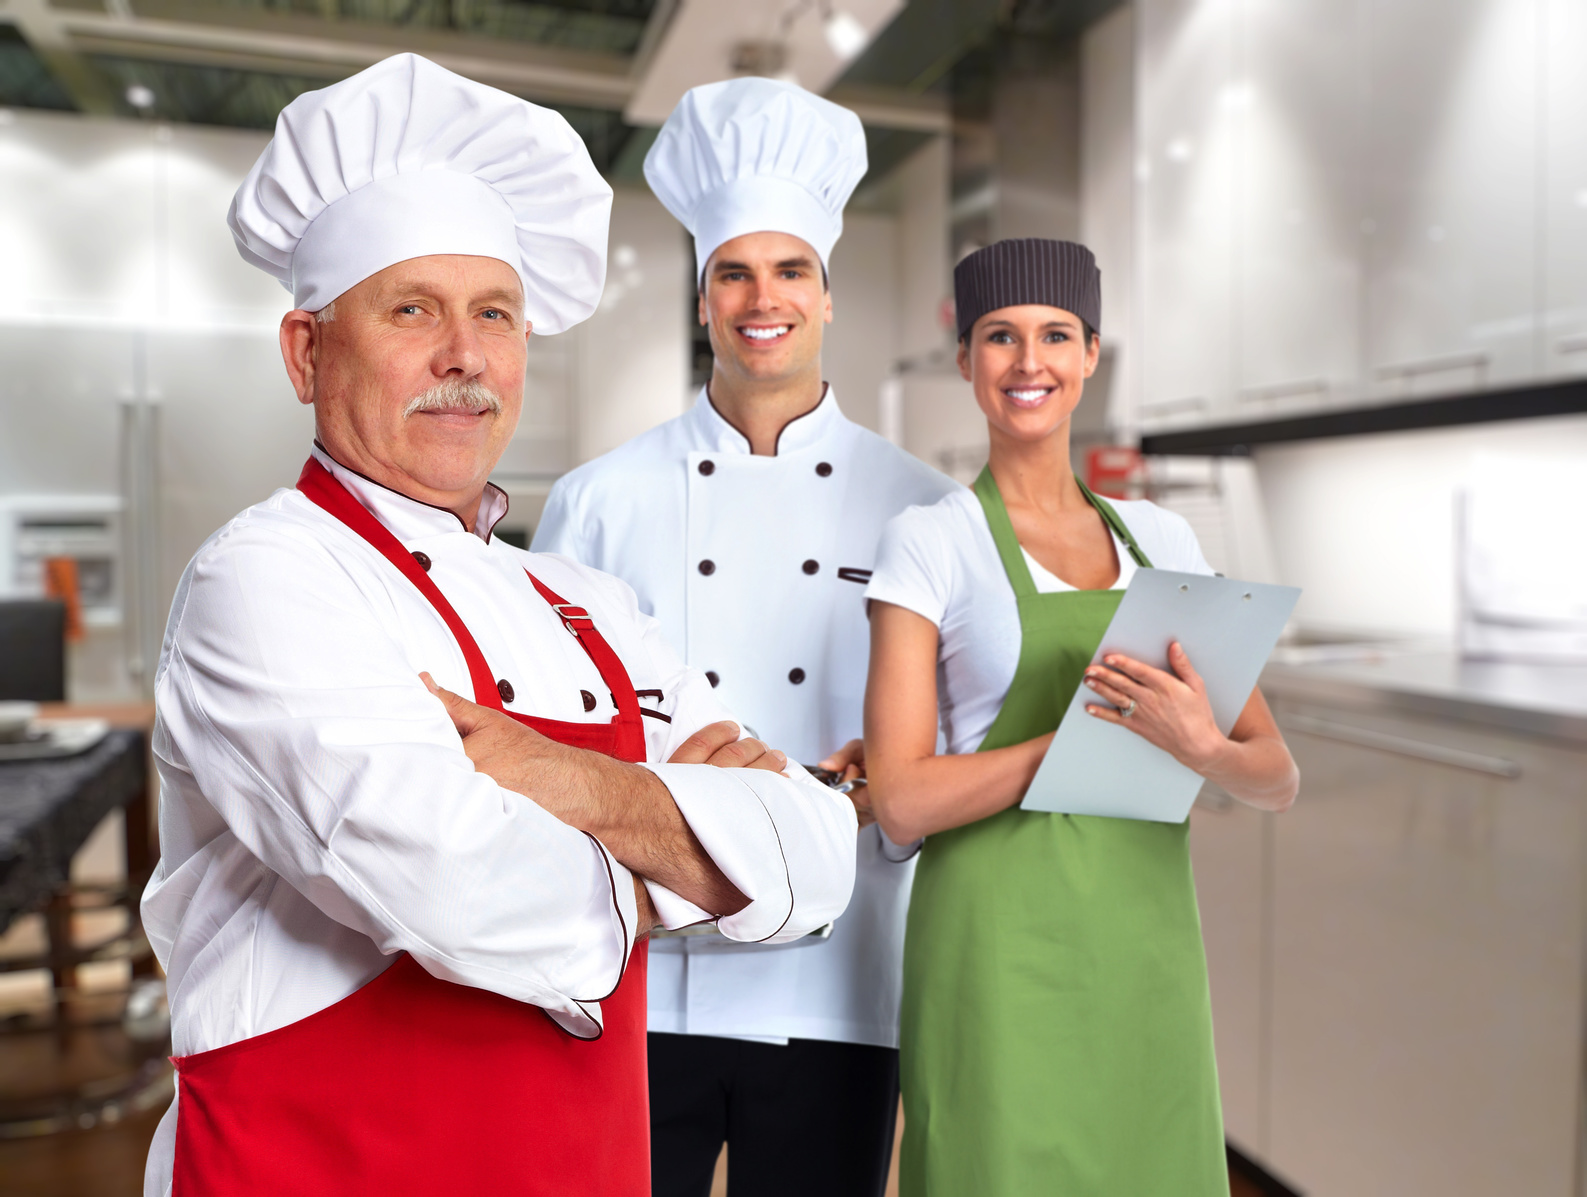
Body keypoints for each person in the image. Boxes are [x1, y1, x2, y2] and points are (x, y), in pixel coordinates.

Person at [141, 54, 857, 1197]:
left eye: (496, 315)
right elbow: (457, 892)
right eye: (411, 308)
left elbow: (818, 853)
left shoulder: (585, 605)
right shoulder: (263, 582)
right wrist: (702, 850)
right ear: (307, 352)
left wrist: (550, 781)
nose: (465, 355)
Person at [532, 77, 959, 1197]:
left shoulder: (922, 504)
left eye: (789, 271)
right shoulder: (599, 499)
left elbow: (946, 742)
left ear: (827, 298)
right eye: (733, 272)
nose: (760, 298)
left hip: (840, 974)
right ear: (703, 299)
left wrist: (891, 774)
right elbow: (555, 726)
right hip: (645, 965)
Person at [862, 238, 1300, 1195]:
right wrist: (1075, 741)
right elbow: (898, 798)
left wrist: (1198, 746)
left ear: (1091, 354)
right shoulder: (930, 542)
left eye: (1056, 336)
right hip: (994, 939)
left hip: (1144, 934)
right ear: (966, 360)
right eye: (999, 337)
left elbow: (1273, 774)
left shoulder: (1166, 538)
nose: (1030, 363)